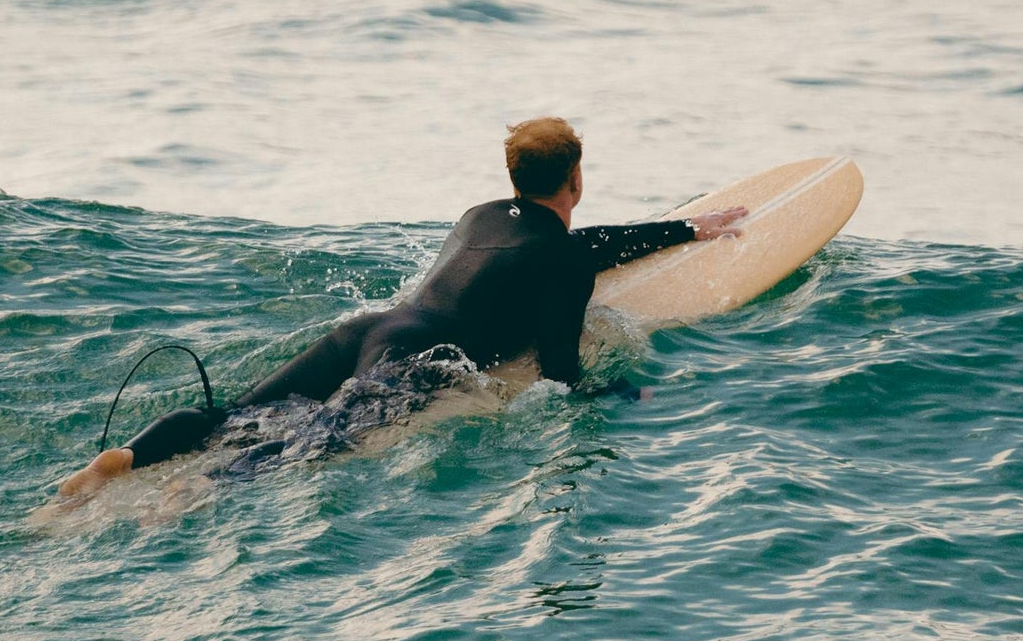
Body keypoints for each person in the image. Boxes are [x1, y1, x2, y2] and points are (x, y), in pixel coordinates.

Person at [54, 117, 744, 496]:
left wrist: (685, 227)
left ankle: (123, 460)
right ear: (577, 178)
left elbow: (577, 243)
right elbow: (560, 361)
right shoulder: (559, 256)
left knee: (232, 414)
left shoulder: (480, 215)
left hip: (371, 327)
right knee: (327, 435)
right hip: (420, 354)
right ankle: (207, 486)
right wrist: (619, 392)